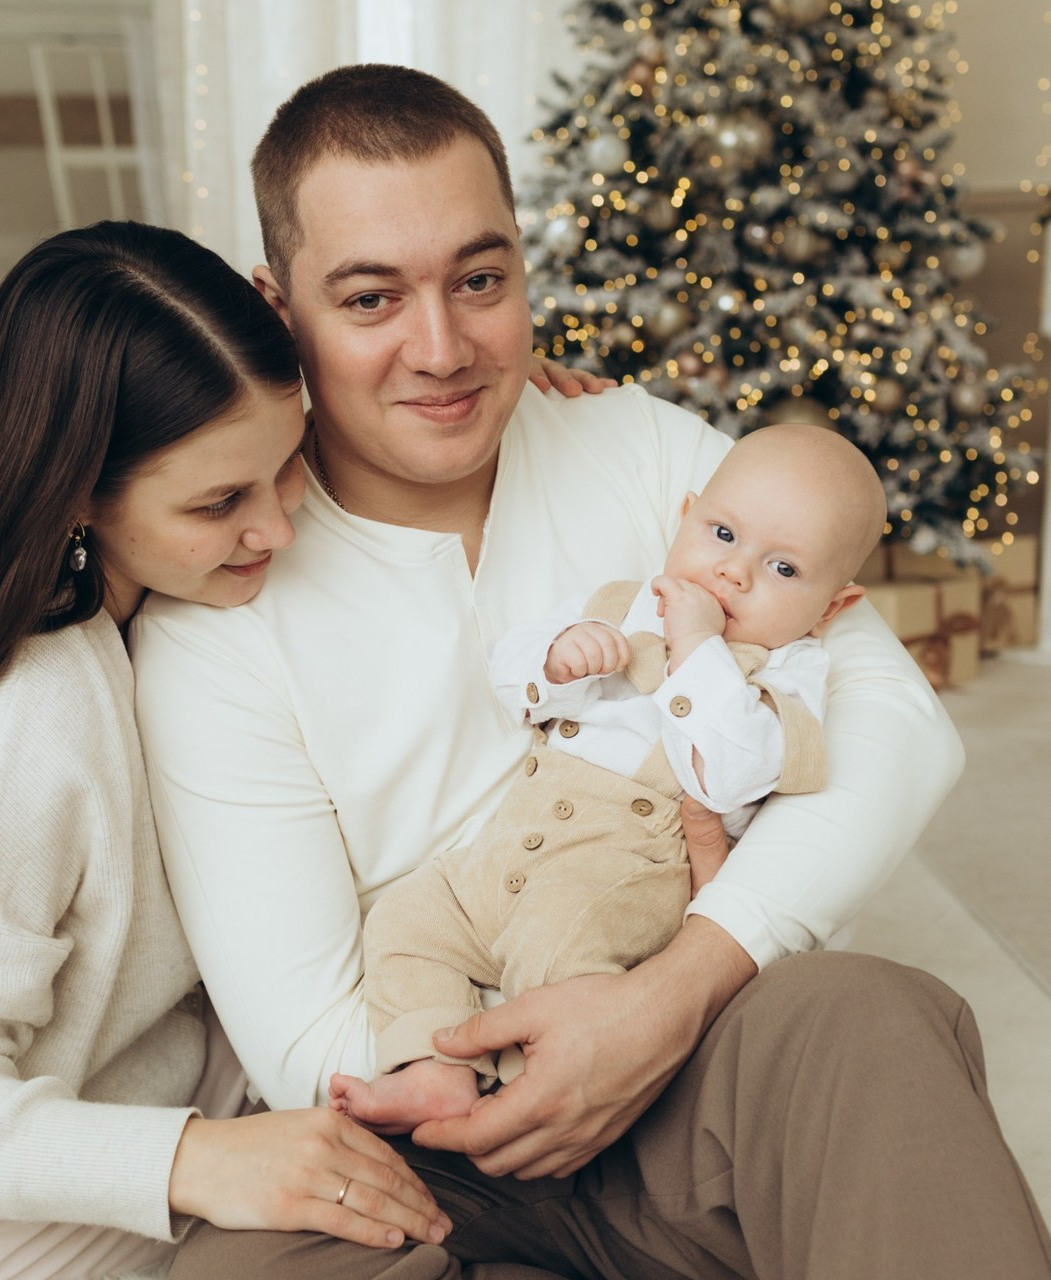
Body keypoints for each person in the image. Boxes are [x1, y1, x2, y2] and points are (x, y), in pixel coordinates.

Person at [132, 65, 1051, 1278]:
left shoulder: (640, 446)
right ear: (278, 306)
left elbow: (897, 724)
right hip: (428, 1144)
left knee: (869, 1016)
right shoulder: (225, 594)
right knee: (238, 1259)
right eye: (369, 298)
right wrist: (544, 1072)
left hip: (690, 1055)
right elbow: (306, 1038)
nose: (441, 349)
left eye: (479, 280)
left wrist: (671, 995)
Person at [0, 221, 459, 1280]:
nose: (278, 527)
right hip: (8, 1224)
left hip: (188, 1104)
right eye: (218, 502)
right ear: (78, 491)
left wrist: (533, 407)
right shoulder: (7, 723)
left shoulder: (98, 578)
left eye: (288, 462)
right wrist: (194, 1158)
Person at [331, 424, 887, 1130]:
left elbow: (731, 775)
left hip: (626, 873)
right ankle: (434, 1069)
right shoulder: (617, 603)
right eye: (722, 535)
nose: (735, 573)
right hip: (504, 851)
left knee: (556, 952)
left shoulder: (790, 671)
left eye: (783, 569)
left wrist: (696, 646)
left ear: (833, 606)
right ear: (685, 516)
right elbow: (512, 678)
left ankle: (544, 1093)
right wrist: (557, 661)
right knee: (407, 921)